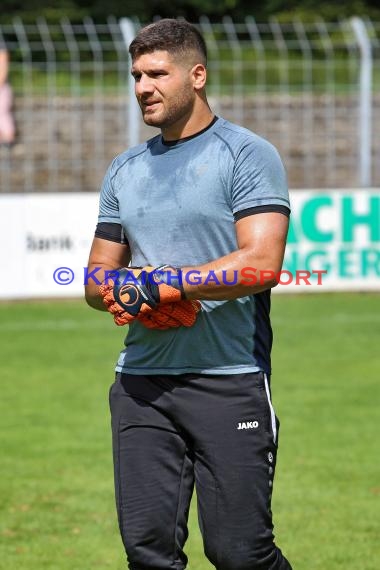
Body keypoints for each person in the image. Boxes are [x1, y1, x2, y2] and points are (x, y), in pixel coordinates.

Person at [85, 18, 292, 570]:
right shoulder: (124, 169)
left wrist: (168, 282)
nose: (142, 87)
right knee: (147, 552)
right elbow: (96, 276)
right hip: (141, 385)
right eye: (136, 75)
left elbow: (262, 264)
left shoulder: (246, 154)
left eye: (157, 73)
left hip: (228, 380)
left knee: (240, 555)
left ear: (196, 75)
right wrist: (124, 290)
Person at [0, 46, 16, 145]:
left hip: (1, 88)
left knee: (3, 113)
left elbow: (3, 71)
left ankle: (8, 139)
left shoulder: (2, 50)